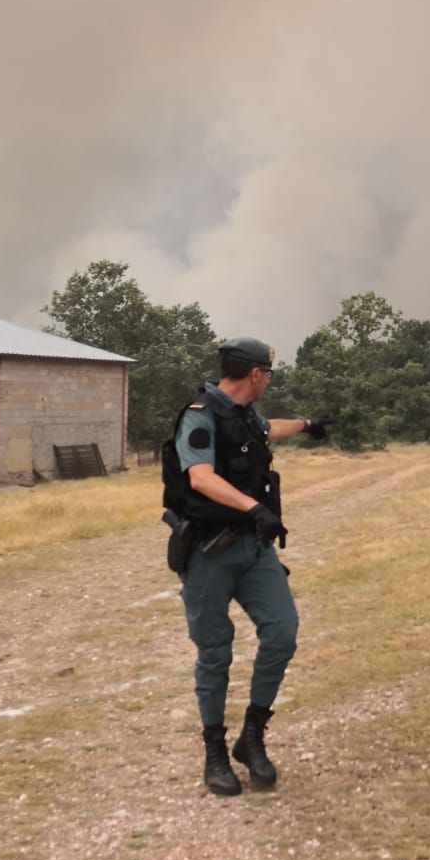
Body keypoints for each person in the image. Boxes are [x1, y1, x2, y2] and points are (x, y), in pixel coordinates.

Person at [162, 337, 332, 797]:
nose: (270, 381)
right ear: (256, 374)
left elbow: (266, 429)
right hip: (208, 554)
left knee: (283, 632)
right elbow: (200, 476)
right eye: (269, 374)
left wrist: (308, 424)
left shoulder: (243, 415)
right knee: (215, 652)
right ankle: (214, 751)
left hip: (253, 551)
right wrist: (255, 507)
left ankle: (252, 735)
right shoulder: (200, 415)